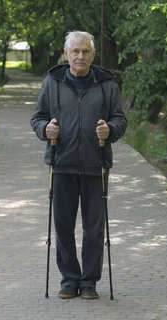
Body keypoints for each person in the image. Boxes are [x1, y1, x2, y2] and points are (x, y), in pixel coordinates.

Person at [30, 31, 127, 299]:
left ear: (92, 55)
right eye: (75, 51)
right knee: (62, 226)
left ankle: (89, 282)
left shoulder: (107, 84)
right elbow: (37, 118)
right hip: (62, 164)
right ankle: (69, 280)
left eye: (85, 51)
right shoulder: (52, 82)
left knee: (94, 228)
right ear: (66, 54)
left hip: (96, 166)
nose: (80, 56)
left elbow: (120, 120)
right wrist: (45, 130)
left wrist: (110, 130)